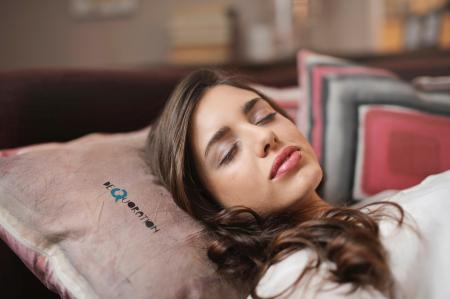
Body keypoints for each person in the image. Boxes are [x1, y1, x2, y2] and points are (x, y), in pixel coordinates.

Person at [145, 69, 450, 299]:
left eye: (263, 117)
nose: (265, 137)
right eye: (228, 152)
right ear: (210, 203)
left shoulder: (381, 204)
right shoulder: (296, 278)